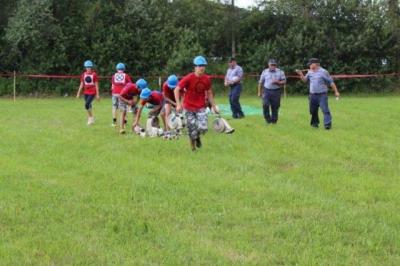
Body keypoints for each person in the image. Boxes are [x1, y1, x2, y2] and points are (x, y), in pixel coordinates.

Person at [174, 55, 218, 151]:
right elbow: (177, 89)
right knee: (191, 129)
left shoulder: (206, 79)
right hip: (188, 107)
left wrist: (214, 106)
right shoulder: (189, 78)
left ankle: (197, 136)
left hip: (201, 107)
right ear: (195, 67)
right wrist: (178, 104)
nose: (202, 67)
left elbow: (209, 92)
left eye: (203, 65)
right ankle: (193, 148)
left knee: (203, 128)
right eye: (200, 65)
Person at [296, 58, 340, 129]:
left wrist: (336, 91)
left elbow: (331, 82)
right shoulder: (310, 72)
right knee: (313, 111)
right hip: (312, 95)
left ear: (315, 64)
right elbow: (304, 80)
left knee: (325, 110)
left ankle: (327, 125)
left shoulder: (324, 72)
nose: (309, 66)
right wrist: (301, 74)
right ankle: (314, 124)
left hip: (322, 95)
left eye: (310, 64)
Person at [257, 59, 286, 125]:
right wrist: (259, 92)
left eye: (274, 65)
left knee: (275, 106)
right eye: (271, 65)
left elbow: (284, 81)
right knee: (265, 104)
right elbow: (260, 82)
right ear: (268, 65)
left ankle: (274, 121)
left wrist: (277, 82)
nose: (273, 66)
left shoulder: (280, 72)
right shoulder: (265, 71)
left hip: (276, 91)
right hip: (267, 91)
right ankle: (267, 120)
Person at [76, 60, 100, 125]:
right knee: (89, 105)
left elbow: (96, 85)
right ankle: (91, 118)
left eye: (89, 67)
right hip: (86, 92)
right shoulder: (83, 75)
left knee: (86, 105)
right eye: (87, 67)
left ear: (91, 67)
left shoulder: (94, 74)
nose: (88, 68)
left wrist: (97, 94)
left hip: (92, 92)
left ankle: (90, 118)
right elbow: (81, 84)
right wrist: (78, 93)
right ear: (85, 67)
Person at [111, 63, 132, 127]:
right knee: (123, 108)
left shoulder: (114, 76)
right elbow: (130, 85)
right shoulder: (126, 76)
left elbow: (112, 86)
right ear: (124, 69)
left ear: (117, 69)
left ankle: (114, 122)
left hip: (114, 93)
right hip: (122, 94)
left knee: (114, 106)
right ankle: (124, 122)